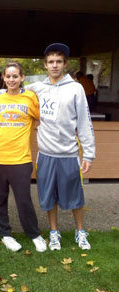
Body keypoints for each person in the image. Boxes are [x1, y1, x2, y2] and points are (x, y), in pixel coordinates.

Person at [26, 43, 95, 251]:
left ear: (65, 64)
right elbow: (10, 90)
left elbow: (84, 122)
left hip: (69, 154)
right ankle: (54, 232)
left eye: (58, 61)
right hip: (46, 155)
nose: (54, 65)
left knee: (75, 197)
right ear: (45, 65)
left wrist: (89, 154)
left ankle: (80, 231)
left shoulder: (76, 88)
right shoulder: (37, 88)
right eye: (50, 62)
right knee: (48, 197)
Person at [0, 61, 47, 252]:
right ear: (3, 78)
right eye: (8, 76)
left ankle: (34, 234)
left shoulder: (30, 98)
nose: (11, 80)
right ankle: (6, 235)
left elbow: (42, 120)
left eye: (15, 76)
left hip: (20, 159)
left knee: (23, 200)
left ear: (22, 78)